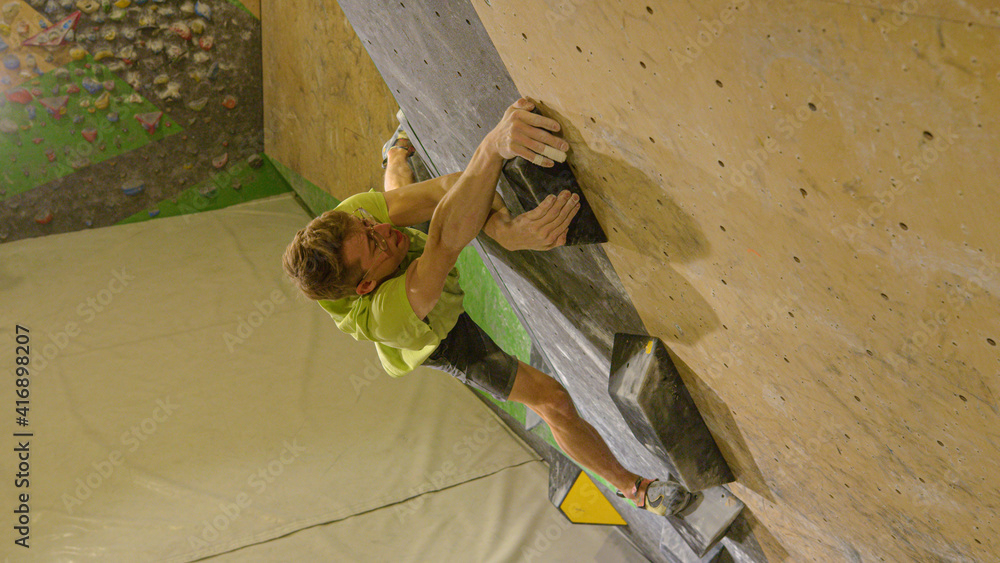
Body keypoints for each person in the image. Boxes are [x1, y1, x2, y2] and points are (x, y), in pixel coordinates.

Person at [282, 98, 692, 517]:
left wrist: (504, 230)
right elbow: (444, 239)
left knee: (401, 201)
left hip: (406, 272)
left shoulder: (352, 222)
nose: (382, 230)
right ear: (367, 284)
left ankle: (395, 151)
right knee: (552, 400)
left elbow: (446, 191)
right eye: (373, 241)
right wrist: (492, 147)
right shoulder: (390, 315)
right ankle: (637, 490)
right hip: (435, 336)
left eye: (368, 224)